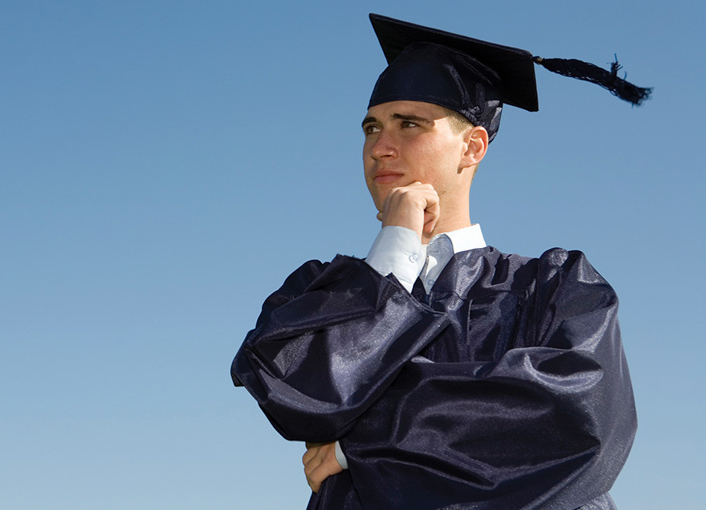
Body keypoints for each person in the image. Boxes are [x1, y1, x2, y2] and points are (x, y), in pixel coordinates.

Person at [232, 13, 647, 510]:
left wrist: (360, 440)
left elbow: (580, 419)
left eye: (409, 124)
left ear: (472, 147)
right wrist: (395, 247)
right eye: (371, 128)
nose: (379, 147)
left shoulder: (554, 289)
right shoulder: (317, 290)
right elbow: (299, 394)